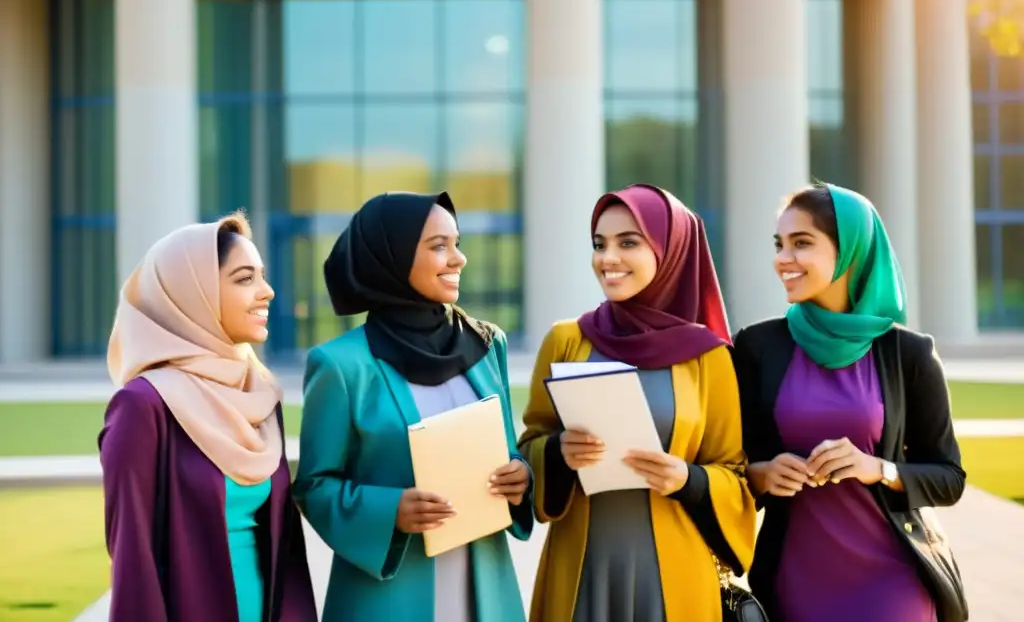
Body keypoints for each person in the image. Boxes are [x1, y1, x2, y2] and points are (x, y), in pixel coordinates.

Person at [517, 183, 757, 622]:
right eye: (599, 244)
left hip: (676, 574)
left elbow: (735, 477)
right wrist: (557, 452)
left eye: (628, 242)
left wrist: (687, 478)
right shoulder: (566, 341)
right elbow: (528, 448)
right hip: (582, 568)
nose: (608, 258)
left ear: (671, 252)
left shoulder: (710, 357)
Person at [731, 183, 968, 622]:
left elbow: (949, 478)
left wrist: (878, 468)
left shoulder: (908, 354)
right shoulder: (757, 347)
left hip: (894, 581)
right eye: (779, 244)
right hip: (793, 582)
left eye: (802, 243)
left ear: (851, 252)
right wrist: (761, 475)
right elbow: (726, 465)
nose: (783, 258)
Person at [293, 191, 533, 622]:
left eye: (457, 243)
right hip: (389, 598)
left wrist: (520, 476)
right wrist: (390, 511)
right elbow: (314, 485)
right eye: (439, 246)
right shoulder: (341, 366)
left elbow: (506, 451)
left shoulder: (486, 343)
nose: (458, 259)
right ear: (393, 257)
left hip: (484, 591)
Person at [99, 212, 317, 622]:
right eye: (244, 278)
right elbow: (132, 559)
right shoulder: (144, 406)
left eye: (263, 276)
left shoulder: (260, 396)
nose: (267, 291)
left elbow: (284, 548)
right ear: (192, 292)